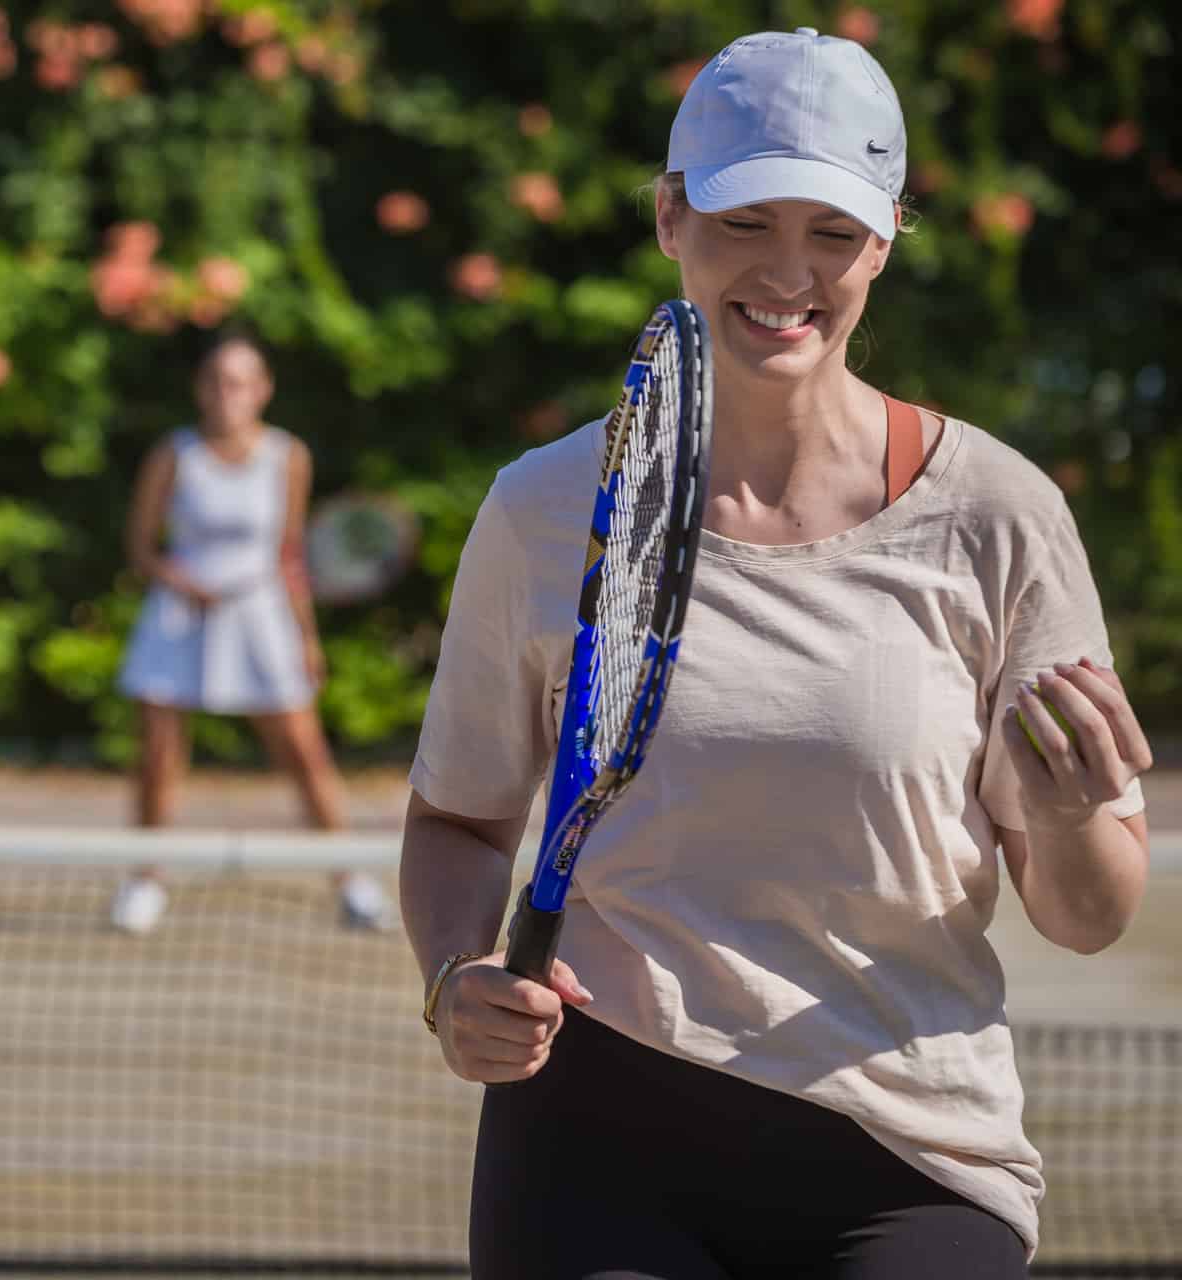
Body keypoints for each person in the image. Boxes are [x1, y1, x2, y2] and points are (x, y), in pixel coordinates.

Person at [401, 28, 1152, 1280]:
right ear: (671, 218)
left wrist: (1075, 815)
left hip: (916, 1148)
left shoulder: (999, 515)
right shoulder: (543, 509)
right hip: (598, 1140)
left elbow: (1085, 916)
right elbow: (459, 822)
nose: (789, 272)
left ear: (888, 239)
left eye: (833, 231)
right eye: (746, 220)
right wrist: (451, 978)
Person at [109, 331, 391, 934]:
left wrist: (306, 638)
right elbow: (141, 547)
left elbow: (289, 553)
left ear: (262, 390)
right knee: (158, 756)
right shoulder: (174, 454)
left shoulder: (288, 455)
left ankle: (349, 881)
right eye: (215, 381)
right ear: (200, 389)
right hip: (178, 618)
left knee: (304, 751)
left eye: (238, 382)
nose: (226, 393)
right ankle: (145, 880)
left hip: (262, 617)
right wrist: (181, 580)